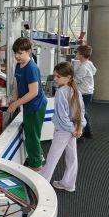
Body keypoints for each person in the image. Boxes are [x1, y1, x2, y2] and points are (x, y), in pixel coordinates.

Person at [40, 62, 85, 192]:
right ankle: (69, 183)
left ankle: (42, 185)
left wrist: (73, 129)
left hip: (64, 130)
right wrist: (79, 128)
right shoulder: (76, 91)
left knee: (52, 158)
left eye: (58, 76)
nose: (55, 79)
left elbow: (62, 115)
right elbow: (81, 111)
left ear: (68, 77)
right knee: (72, 157)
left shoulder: (61, 92)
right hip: (73, 129)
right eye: (55, 75)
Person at [7, 37, 47, 171]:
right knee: (30, 132)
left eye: (20, 53)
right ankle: (38, 156)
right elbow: (17, 85)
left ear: (29, 51)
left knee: (32, 136)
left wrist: (16, 104)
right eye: (15, 53)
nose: (17, 56)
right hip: (29, 106)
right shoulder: (19, 65)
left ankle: (36, 165)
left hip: (36, 106)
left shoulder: (31, 68)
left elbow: (33, 92)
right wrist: (14, 99)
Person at [75, 44, 96, 139]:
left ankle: (84, 132)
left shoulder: (83, 67)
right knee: (82, 112)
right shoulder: (89, 63)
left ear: (81, 55)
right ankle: (88, 131)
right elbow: (94, 71)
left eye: (77, 52)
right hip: (88, 92)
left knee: (80, 113)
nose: (76, 53)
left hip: (84, 93)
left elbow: (76, 80)